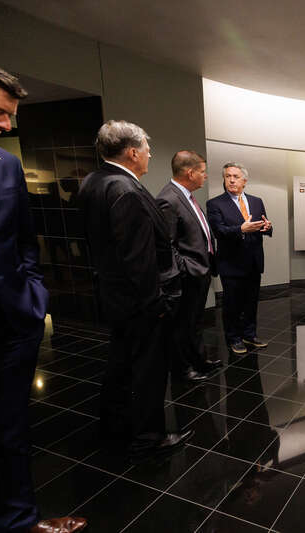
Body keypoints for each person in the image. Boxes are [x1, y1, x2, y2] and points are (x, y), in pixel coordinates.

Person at [0, 54, 87, 533]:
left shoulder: (4, 163)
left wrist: (34, 296)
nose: (5, 124)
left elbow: (22, 239)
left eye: (9, 114)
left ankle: (17, 521)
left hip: (10, 318)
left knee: (10, 430)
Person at [80, 120, 190, 459]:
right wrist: (156, 304)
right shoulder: (126, 190)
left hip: (114, 296)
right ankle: (148, 436)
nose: (149, 155)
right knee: (147, 372)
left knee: (121, 365)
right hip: (140, 302)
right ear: (132, 153)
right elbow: (138, 259)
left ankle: (114, 426)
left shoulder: (92, 182)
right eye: (146, 149)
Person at [156, 151, 222, 383]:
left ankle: (199, 360)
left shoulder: (186, 196)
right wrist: (187, 268)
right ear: (190, 173)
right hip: (188, 276)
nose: (205, 176)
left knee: (194, 322)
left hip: (200, 272)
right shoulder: (169, 199)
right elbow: (166, 245)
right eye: (202, 172)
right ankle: (183, 369)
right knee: (182, 325)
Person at [207, 162, 272, 355]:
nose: (231, 180)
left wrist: (268, 228)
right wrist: (240, 229)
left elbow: (263, 225)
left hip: (254, 261)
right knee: (232, 304)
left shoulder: (256, 201)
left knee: (251, 303)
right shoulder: (215, 204)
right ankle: (234, 338)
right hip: (231, 263)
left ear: (245, 180)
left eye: (236, 176)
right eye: (228, 176)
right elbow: (219, 232)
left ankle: (249, 335)